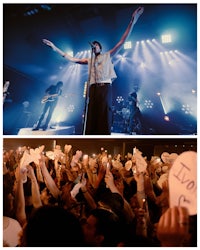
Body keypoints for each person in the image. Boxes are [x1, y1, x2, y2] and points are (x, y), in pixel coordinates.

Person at [42, 6, 144, 135]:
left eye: (96, 45)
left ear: (100, 48)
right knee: (91, 111)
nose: (94, 46)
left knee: (103, 112)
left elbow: (122, 41)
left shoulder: (107, 56)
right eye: (93, 45)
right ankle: (90, 133)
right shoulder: (88, 60)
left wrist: (132, 20)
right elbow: (71, 59)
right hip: (93, 87)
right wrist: (54, 47)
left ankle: (104, 134)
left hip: (105, 86)